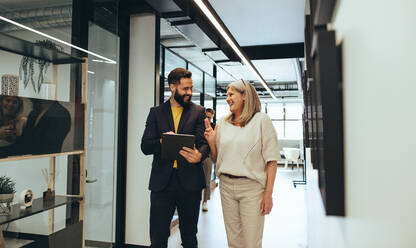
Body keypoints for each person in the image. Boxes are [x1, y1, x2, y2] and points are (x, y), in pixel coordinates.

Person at [204, 80, 280, 248]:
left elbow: (272, 160)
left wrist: (268, 194)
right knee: (233, 242)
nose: (227, 98)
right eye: (226, 95)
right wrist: (211, 142)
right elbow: (217, 159)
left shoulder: (261, 120)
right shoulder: (223, 122)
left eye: (231, 94)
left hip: (252, 188)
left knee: (251, 242)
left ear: (244, 95)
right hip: (226, 186)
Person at [141, 67, 209, 248]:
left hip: (190, 183)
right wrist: (163, 141)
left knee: (189, 237)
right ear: (172, 87)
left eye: (191, 88)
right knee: (158, 237)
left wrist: (200, 155)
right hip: (162, 184)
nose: (189, 93)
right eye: (185, 89)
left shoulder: (198, 111)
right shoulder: (156, 112)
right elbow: (145, 146)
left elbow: (204, 143)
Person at [202, 108, 215, 212]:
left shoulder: (215, 127)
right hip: (198, 155)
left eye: (209, 117)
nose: (207, 119)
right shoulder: (199, 126)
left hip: (208, 156)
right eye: (206, 116)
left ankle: (205, 201)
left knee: (207, 180)